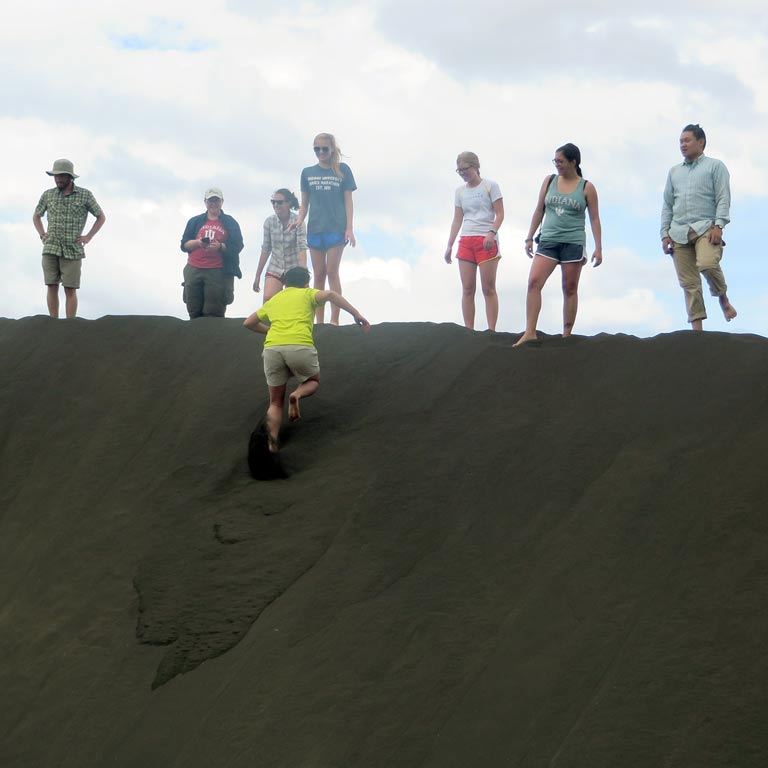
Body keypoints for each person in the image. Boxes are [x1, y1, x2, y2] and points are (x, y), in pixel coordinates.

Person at [243, 266, 369, 452]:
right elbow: (331, 295)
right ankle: (297, 395)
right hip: (299, 346)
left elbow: (249, 323)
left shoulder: (275, 299)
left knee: (276, 402)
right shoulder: (307, 293)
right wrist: (356, 314)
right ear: (306, 283)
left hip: (272, 349)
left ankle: (271, 444)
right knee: (312, 380)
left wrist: (271, 331)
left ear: (285, 284)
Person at [514, 143, 602, 346]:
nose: (557, 165)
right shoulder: (550, 180)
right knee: (534, 282)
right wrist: (529, 237)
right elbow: (539, 210)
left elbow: (595, 219)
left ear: (573, 162)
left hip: (573, 242)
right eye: (555, 161)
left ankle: (566, 335)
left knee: (569, 287)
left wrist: (599, 247)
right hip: (548, 240)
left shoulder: (586, 187)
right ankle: (530, 332)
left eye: (561, 161)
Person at [660, 124, 737, 329]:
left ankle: (723, 298)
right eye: (681, 141)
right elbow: (667, 204)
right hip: (678, 232)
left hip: (706, 228)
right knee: (689, 284)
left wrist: (719, 225)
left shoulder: (715, 166)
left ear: (700, 141)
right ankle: (697, 333)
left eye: (687, 140)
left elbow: (723, 197)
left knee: (707, 264)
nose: (683, 145)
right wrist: (664, 234)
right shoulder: (674, 172)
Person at [291, 133, 357, 325]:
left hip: (336, 228)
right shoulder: (307, 172)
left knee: (331, 272)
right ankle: (318, 322)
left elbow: (348, 201)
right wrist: (299, 220)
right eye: (316, 149)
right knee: (318, 274)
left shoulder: (342, 170)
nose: (320, 152)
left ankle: (334, 319)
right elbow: (305, 204)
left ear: (332, 149)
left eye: (324, 149)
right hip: (315, 229)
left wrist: (349, 228)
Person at [32, 159, 106, 319]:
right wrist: (41, 233)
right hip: (51, 246)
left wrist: (88, 236)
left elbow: (100, 216)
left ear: (69, 177)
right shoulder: (48, 195)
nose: (57, 179)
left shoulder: (85, 195)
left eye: (61, 176)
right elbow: (36, 215)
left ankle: (70, 324)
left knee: (70, 288)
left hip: (72, 248)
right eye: (55, 176)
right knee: (51, 284)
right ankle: (53, 321)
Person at [444, 151, 504, 331]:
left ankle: (491, 329)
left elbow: (500, 213)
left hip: (486, 239)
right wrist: (449, 244)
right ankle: (468, 329)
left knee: (488, 288)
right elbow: (457, 219)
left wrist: (491, 233)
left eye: (465, 169)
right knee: (467, 288)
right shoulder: (460, 192)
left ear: (476, 167)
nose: (462, 173)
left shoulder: (490, 186)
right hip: (466, 240)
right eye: (459, 170)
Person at [179, 187, 244, 318]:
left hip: (218, 270)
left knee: (214, 311)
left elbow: (238, 245)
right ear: (205, 202)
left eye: (216, 200)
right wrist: (198, 243)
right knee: (193, 308)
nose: (213, 203)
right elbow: (184, 245)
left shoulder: (230, 222)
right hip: (194, 268)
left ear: (222, 202)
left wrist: (220, 246)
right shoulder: (195, 221)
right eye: (210, 201)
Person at [253, 189, 307, 302]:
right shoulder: (269, 221)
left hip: (294, 267)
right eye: (273, 202)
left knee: (294, 302)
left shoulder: (298, 221)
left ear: (289, 203)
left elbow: (302, 248)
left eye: (279, 202)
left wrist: (303, 274)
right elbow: (266, 249)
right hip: (275, 267)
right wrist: (258, 275)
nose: (276, 205)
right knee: (268, 299)